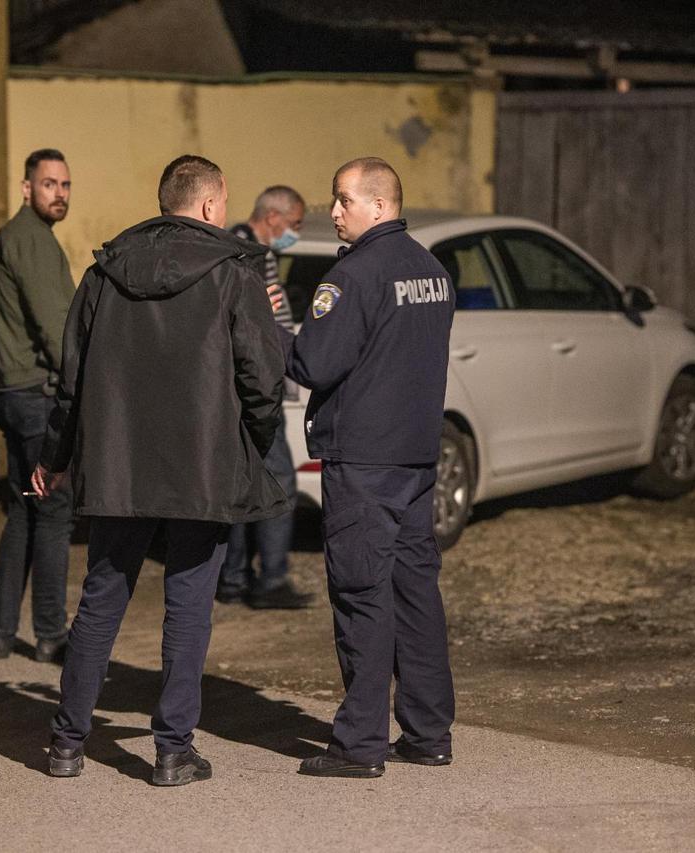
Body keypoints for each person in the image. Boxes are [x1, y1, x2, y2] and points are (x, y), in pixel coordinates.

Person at [32, 155, 290, 786]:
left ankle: (67, 742)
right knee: (189, 604)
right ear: (208, 204)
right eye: (223, 201)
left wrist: (54, 456)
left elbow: (71, 379)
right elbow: (263, 378)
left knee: (102, 598)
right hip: (202, 464)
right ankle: (173, 750)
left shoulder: (104, 271)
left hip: (117, 463)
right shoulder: (234, 273)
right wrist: (251, 443)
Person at [278, 158, 456, 778]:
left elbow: (313, 363)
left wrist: (276, 335)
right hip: (416, 456)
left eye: (343, 200)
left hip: (364, 460)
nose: (333, 211)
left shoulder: (353, 275)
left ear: (379, 206)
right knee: (415, 592)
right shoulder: (431, 271)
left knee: (361, 594)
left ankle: (358, 744)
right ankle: (428, 732)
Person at [0, 149, 77, 661]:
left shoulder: (13, 238)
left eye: (65, 185)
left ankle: (0, 633)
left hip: (12, 393)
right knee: (54, 512)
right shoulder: (31, 240)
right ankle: (50, 634)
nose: (59, 193)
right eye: (48, 184)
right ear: (26, 188)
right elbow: (56, 328)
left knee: (23, 509)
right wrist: (82, 383)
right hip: (37, 397)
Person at [218, 185, 314, 610]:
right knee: (279, 481)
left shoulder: (245, 250)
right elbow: (250, 324)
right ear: (273, 217)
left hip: (243, 390)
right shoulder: (249, 253)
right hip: (256, 390)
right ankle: (271, 579)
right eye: (295, 224)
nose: (295, 232)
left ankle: (233, 578)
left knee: (242, 486)